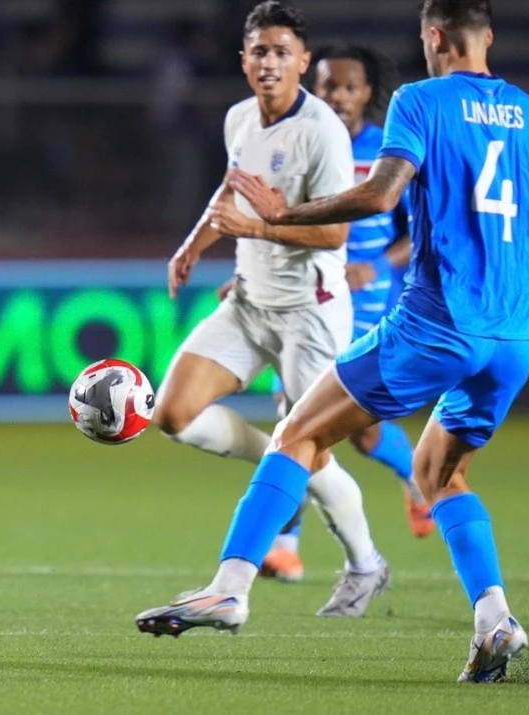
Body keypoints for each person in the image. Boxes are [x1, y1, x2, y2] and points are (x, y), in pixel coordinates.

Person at [137, 0, 529, 684]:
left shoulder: (419, 100)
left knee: (296, 433)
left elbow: (380, 197)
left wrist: (280, 216)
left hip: (438, 322)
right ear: (488, 37)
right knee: (439, 473)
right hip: (515, 335)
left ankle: (229, 588)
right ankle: (494, 619)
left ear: (434, 35)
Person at [153, 0, 390, 619]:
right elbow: (231, 190)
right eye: (260, 51)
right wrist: (193, 245)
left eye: (282, 52)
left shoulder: (322, 132)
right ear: (244, 59)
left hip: (310, 313)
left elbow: (335, 234)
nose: (270, 62)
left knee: (316, 452)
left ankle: (365, 563)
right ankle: (281, 454)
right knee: (172, 413)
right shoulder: (239, 118)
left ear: (302, 62)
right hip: (250, 302)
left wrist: (257, 229)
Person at [262, 43, 430, 583]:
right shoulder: (297, 143)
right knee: (295, 415)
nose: (337, 95)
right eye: (328, 85)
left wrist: (374, 265)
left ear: (367, 94)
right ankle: (285, 546)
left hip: (367, 300)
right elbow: (277, 219)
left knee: (355, 430)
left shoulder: (389, 150)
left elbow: (418, 234)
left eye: (349, 87)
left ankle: (418, 480)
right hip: (303, 293)